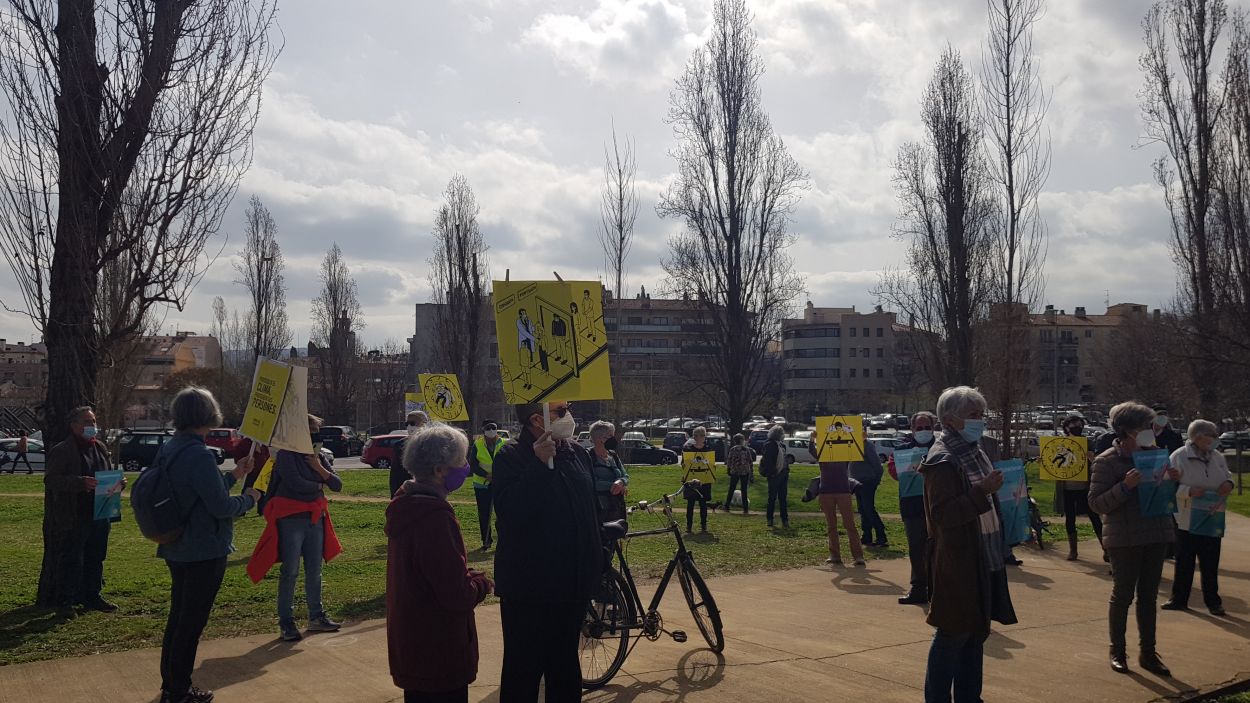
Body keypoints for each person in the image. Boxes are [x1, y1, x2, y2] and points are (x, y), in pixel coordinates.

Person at [156, 387, 260, 703]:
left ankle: (172, 683)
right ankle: (179, 690)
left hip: (176, 542)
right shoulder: (199, 454)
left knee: (179, 617)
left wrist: (234, 475)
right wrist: (249, 499)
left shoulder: (171, 448)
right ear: (208, 415)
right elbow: (220, 507)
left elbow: (199, 492)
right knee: (191, 621)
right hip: (203, 547)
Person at [491, 401, 600, 703]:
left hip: (571, 586)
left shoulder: (576, 453)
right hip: (529, 588)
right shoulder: (511, 456)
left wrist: (595, 563)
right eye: (561, 410)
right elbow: (511, 512)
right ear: (537, 419)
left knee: (564, 667)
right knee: (523, 670)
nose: (569, 416)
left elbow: (588, 512)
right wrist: (539, 466)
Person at [921, 386, 1017, 703]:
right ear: (950, 420)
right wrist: (982, 492)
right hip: (957, 560)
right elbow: (943, 514)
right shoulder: (943, 460)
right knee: (952, 632)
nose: (980, 421)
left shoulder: (975, 450)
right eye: (973, 415)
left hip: (983, 554)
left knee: (976, 633)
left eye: (981, 414)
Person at [386, 424, 494, 703]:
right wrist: (480, 583)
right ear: (438, 470)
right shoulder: (434, 517)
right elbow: (455, 594)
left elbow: (429, 570)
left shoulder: (407, 504)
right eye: (459, 461)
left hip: (414, 642)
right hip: (439, 647)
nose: (465, 466)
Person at [1088, 401, 1180, 676]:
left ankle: (1148, 653)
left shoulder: (1157, 456)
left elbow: (1165, 497)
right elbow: (1096, 504)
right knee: (1123, 596)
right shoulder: (1107, 460)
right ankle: (1117, 650)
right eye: (1143, 428)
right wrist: (1125, 487)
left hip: (1156, 533)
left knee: (1149, 597)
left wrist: (1173, 481)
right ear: (1126, 430)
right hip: (1125, 539)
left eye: (1150, 427)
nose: (1150, 432)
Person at [265, 414, 343, 642]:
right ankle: (286, 621)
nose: (313, 434)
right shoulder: (286, 455)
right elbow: (296, 484)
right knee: (290, 570)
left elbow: (337, 484)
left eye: (315, 430)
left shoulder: (315, 455)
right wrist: (321, 483)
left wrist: (318, 467)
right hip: (291, 519)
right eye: (309, 429)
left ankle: (316, 616)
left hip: (314, 519)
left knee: (314, 569)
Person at [36, 406, 122, 611]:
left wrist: (118, 482)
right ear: (74, 426)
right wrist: (79, 482)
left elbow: (107, 473)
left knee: (96, 555)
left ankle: (92, 596)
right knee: (72, 558)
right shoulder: (63, 450)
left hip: (101, 511)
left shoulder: (100, 447)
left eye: (93, 422)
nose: (92, 426)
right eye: (87, 422)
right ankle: (66, 601)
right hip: (75, 513)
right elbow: (51, 480)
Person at [1162, 419, 1234, 616]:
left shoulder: (1217, 456)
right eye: (1212, 435)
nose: (1215, 439)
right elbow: (1167, 486)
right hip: (1187, 517)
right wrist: (1189, 491)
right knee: (1184, 561)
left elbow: (1227, 475)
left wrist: (1229, 483)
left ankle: (1213, 602)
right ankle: (1178, 599)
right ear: (1199, 437)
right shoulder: (1179, 456)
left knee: (1210, 562)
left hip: (1213, 516)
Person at [890, 411, 937, 603]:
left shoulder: (942, 448)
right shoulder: (903, 450)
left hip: (938, 505)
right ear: (912, 429)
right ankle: (918, 588)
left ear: (933, 429)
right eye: (920, 428)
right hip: (912, 506)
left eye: (927, 428)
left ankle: (938, 589)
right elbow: (894, 472)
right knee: (916, 548)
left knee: (937, 548)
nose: (923, 431)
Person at [1052, 413, 1105, 562]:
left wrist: (1091, 458)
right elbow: (1054, 462)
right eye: (1074, 425)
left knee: (1094, 518)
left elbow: (1098, 462)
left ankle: (1106, 550)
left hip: (1085, 488)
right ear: (1066, 427)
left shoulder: (1087, 443)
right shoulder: (1060, 444)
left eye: (1079, 425)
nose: (1077, 428)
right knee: (1070, 519)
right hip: (1068, 488)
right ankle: (1073, 551)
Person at [813, 432, 865, 567]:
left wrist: (862, 438)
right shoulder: (822, 456)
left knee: (849, 525)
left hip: (843, 491)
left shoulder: (844, 456)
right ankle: (835, 555)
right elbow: (811, 450)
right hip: (826, 492)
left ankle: (858, 556)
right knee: (831, 525)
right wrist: (812, 438)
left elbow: (857, 449)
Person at [469, 420, 505, 550]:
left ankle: (503, 540)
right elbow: (473, 464)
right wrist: (486, 475)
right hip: (482, 484)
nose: (491, 430)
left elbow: (508, 462)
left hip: (500, 483)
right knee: (484, 513)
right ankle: (486, 540)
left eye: (493, 428)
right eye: (488, 428)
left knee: (502, 512)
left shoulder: (504, 443)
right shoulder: (477, 444)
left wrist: (498, 475)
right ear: (483, 430)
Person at [588, 421, 629, 523]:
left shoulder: (613, 455)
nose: (614, 439)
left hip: (616, 506)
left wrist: (621, 482)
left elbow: (625, 475)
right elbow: (590, 482)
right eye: (610, 436)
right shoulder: (588, 456)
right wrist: (613, 486)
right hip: (598, 509)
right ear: (599, 438)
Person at [851, 440, 888, 548]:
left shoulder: (866, 445)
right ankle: (867, 535)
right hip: (856, 482)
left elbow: (877, 465)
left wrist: (876, 480)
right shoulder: (851, 444)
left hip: (867, 481)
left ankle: (881, 535)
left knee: (868, 508)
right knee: (862, 509)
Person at [681, 427, 717, 533]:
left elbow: (712, 464)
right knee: (690, 504)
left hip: (704, 481)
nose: (699, 438)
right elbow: (684, 464)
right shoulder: (688, 449)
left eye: (702, 436)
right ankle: (689, 526)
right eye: (696, 435)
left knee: (703, 504)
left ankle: (703, 525)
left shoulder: (708, 449)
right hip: (691, 480)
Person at [390, 410, 428, 498]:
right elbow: (395, 473)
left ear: (424, 423)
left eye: (412, 423)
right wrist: (394, 495)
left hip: (427, 491)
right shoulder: (399, 445)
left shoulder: (432, 443)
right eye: (407, 424)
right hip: (405, 492)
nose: (409, 427)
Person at [761, 425, 789, 528]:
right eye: (782, 433)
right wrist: (772, 473)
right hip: (774, 475)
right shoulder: (769, 445)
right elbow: (768, 461)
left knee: (783, 498)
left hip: (783, 474)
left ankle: (785, 519)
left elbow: (785, 460)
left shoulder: (782, 446)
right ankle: (770, 519)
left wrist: (786, 471)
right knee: (772, 498)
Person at [724, 434, 755, 514]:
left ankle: (727, 505)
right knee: (744, 490)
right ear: (741, 440)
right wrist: (751, 473)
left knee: (732, 488)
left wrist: (729, 469)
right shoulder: (746, 449)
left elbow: (729, 460)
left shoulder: (732, 449)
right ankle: (745, 508)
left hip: (734, 471)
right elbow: (750, 461)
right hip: (744, 471)